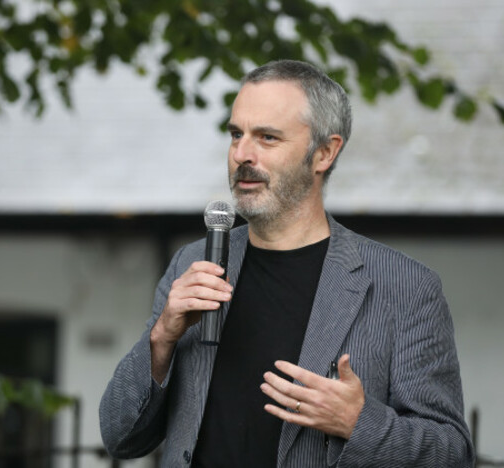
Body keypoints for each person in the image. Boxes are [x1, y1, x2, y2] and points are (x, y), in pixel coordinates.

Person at [99, 60, 474, 467]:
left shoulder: (404, 287)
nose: (242, 154)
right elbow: (120, 438)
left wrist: (359, 423)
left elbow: (451, 453)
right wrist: (161, 340)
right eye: (235, 134)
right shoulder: (194, 263)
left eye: (267, 137)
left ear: (324, 153)